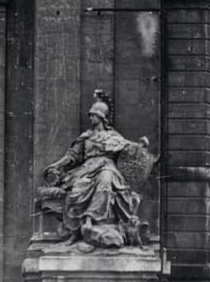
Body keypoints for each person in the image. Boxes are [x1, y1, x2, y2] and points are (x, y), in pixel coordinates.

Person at [41, 96, 149, 249]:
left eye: (93, 115)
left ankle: (89, 219)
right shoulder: (86, 137)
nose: (90, 117)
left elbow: (130, 150)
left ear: (101, 117)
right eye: (90, 115)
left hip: (107, 167)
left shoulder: (114, 137)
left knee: (105, 181)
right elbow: (71, 156)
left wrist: (141, 145)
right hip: (87, 169)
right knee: (78, 188)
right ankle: (75, 231)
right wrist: (56, 165)